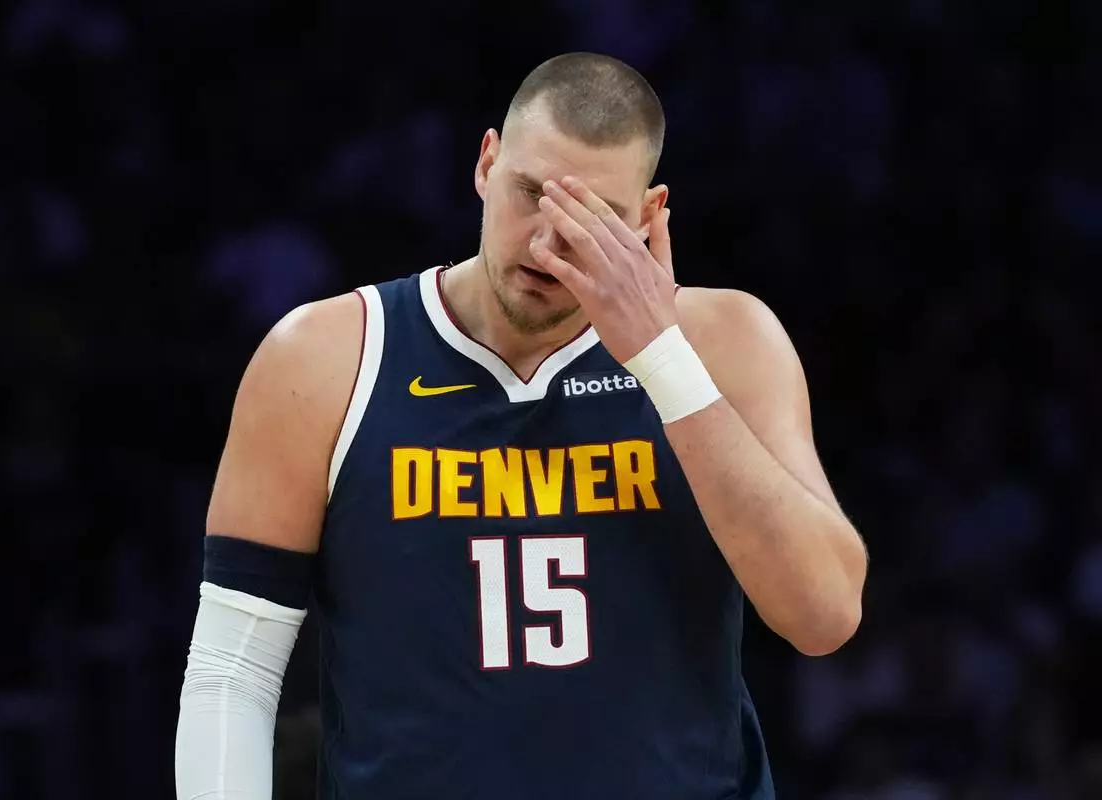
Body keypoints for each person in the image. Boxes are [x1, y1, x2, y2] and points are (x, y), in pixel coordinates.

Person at [175, 52, 868, 799]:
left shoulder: (724, 341)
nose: (548, 242)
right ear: (486, 162)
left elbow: (823, 615)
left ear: (648, 216)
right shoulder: (324, 358)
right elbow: (232, 670)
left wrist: (662, 360)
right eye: (532, 193)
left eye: (591, 218)